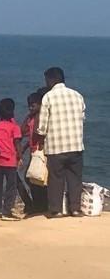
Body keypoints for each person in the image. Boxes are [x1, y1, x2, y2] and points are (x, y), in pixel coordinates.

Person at [36, 67, 86, 218]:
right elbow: (83, 118)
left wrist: (40, 137)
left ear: (51, 80)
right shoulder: (77, 95)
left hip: (56, 146)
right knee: (75, 179)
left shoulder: (48, 97)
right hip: (76, 144)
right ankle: (75, 209)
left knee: (56, 178)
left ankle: (56, 210)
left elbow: (43, 125)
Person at [0, 99, 23, 220]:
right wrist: (20, 156)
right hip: (10, 160)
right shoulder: (15, 127)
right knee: (11, 186)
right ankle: (7, 211)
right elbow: (17, 142)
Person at [21, 91, 48, 214]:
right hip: (33, 151)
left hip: (40, 151)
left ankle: (40, 205)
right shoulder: (31, 118)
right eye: (29, 106)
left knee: (35, 177)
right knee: (32, 178)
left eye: (33, 105)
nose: (31, 108)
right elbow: (24, 132)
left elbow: (39, 134)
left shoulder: (40, 118)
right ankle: (39, 204)